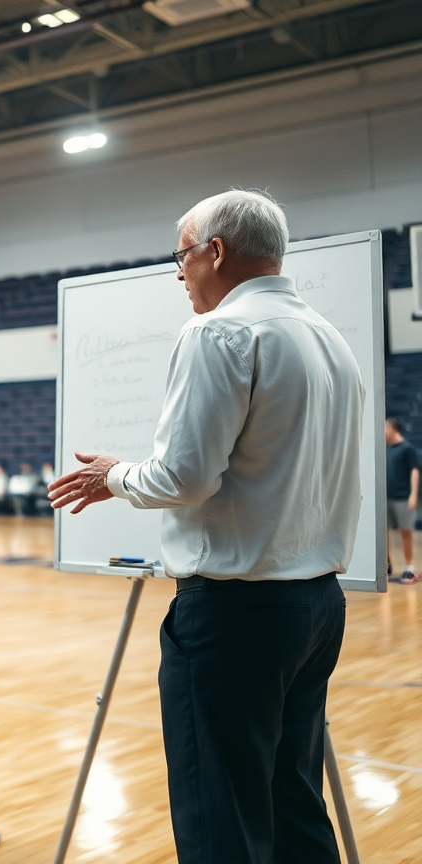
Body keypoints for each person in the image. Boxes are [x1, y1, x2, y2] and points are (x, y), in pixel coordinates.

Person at [49, 190, 363, 864]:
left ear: (214, 252)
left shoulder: (218, 331)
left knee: (221, 818)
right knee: (294, 805)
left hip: (235, 617)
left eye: (182, 255)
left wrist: (113, 476)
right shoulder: (331, 339)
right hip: (316, 608)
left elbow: (185, 479)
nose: (179, 272)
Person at [385, 417, 421, 584]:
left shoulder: (407, 448)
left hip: (403, 498)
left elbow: (414, 470)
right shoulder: (386, 449)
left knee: (406, 532)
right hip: (386, 498)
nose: (383, 431)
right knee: (384, 533)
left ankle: (409, 567)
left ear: (393, 429)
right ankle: (387, 564)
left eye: (385, 427)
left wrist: (413, 494)